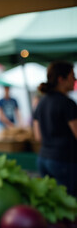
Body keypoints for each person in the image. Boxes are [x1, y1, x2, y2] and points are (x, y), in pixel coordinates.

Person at [33, 61, 77, 197]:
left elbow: (37, 137)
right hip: (64, 161)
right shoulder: (67, 103)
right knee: (69, 203)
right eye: (72, 76)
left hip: (43, 159)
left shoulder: (41, 102)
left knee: (54, 202)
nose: (75, 80)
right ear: (61, 79)